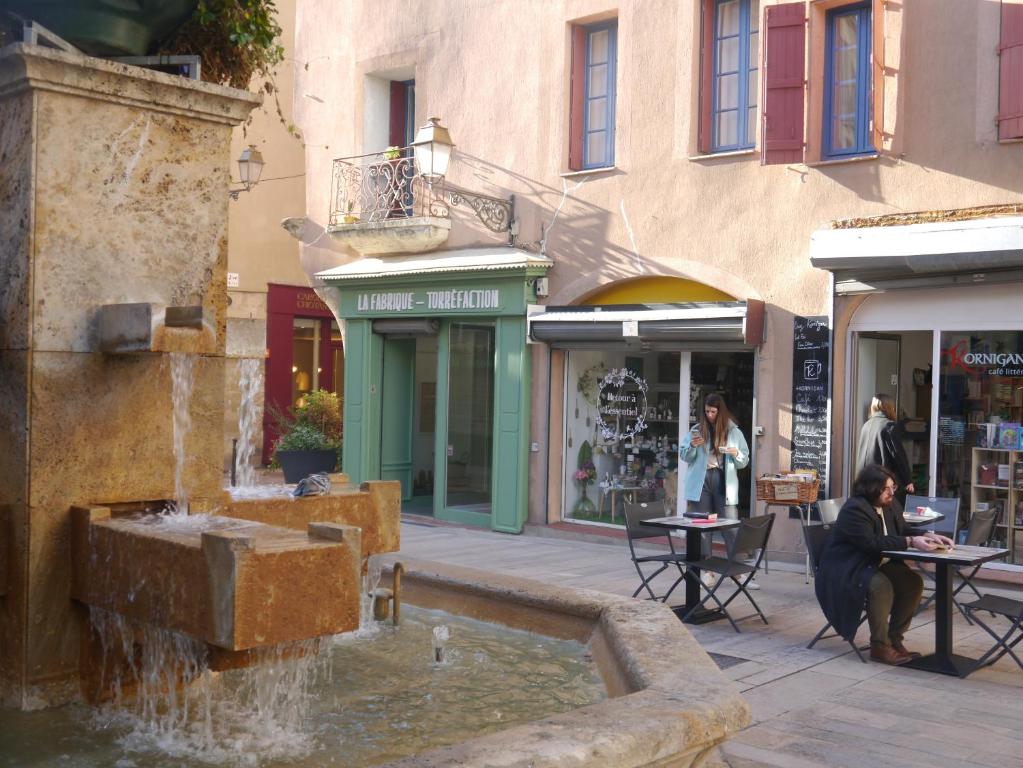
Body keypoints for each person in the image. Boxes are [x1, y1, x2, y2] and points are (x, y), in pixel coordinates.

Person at [814, 464, 955, 665]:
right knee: (881, 587)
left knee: (913, 583)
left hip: (873, 562)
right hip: (849, 567)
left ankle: (894, 639)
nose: (891, 493)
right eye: (886, 489)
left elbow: (902, 529)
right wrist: (910, 542)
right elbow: (870, 543)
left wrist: (927, 535)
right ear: (871, 488)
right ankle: (879, 646)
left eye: (893, 487)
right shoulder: (855, 509)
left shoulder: (889, 504)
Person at [679, 394, 753, 584]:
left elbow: (744, 460)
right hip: (701, 480)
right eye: (706, 412)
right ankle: (706, 571)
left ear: (720, 412)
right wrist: (693, 447)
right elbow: (684, 456)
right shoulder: (697, 429)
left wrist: (736, 453)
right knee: (702, 526)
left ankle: (737, 571)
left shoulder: (733, 431)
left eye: (713, 412)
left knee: (730, 525)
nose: (709, 415)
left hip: (723, 479)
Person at [855, 393, 915, 500]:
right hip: (881, 481)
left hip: (864, 479)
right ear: (890, 407)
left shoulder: (866, 425)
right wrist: (907, 480)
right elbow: (898, 455)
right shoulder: (889, 426)